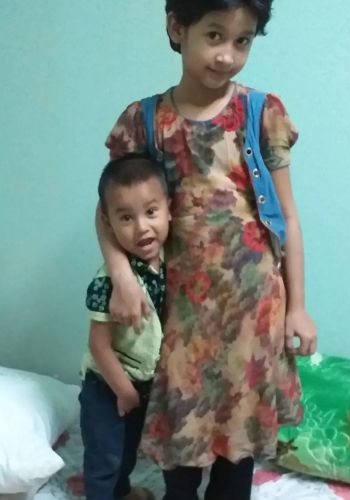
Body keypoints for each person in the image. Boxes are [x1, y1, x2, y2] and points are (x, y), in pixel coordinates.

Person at [98, 1, 318, 499]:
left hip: (253, 312)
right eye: (215, 36)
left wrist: (298, 307)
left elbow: (288, 217)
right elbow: (108, 210)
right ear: (177, 28)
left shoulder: (261, 113)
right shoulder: (144, 121)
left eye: (242, 41)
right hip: (181, 314)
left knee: (237, 449)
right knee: (182, 437)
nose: (227, 56)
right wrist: (122, 277)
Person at [80, 155, 171, 500]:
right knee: (105, 456)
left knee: (127, 451)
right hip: (107, 385)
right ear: (108, 223)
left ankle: (121, 492)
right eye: (126, 218)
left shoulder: (170, 265)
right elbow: (99, 345)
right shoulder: (110, 281)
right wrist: (124, 391)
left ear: (169, 209)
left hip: (143, 385)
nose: (142, 227)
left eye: (151, 212)